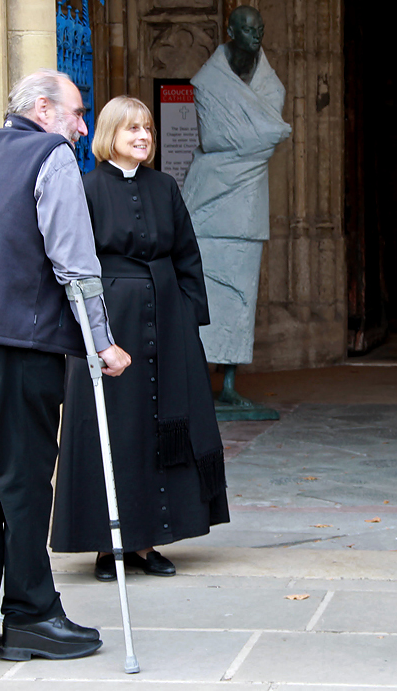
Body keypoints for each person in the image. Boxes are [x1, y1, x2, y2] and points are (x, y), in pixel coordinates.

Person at [0, 69, 132, 670]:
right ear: (44, 109)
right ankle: (32, 617)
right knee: (20, 483)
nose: (83, 124)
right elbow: (74, 259)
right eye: (76, 112)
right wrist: (102, 341)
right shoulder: (52, 155)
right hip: (17, 343)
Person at [51, 96, 229, 582]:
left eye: (147, 128)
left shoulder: (164, 186)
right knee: (116, 429)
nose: (143, 136)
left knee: (160, 429)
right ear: (110, 134)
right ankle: (109, 547)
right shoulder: (85, 188)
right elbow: (71, 261)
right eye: (132, 129)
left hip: (167, 319)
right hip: (111, 320)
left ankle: (149, 542)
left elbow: (187, 253)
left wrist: (188, 318)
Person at [181, 5, 291, 404]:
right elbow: (218, 139)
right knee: (204, 291)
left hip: (245, 208)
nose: (255, 34)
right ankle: (197, 378)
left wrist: (258, 138)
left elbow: (260, 139)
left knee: (240, 297)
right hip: (208, 203)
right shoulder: (208, 83)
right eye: (248, 28)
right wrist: (261, 137)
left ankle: (228, 384)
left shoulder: (270, 87)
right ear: (230, 31)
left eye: (260, 28)